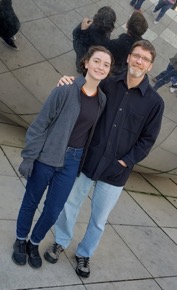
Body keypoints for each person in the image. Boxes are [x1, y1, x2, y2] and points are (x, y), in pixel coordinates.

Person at [44, 40, 164, 278]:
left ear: (149, 66)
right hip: (89, 159)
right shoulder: (108, 84)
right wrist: (67, 81)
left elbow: (147, 140)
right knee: (70, 205)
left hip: (116, 170)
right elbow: (84, 92)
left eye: (145, 59)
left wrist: (125, 161)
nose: (139, 61)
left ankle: (85, 253)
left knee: (99, 219)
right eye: (136, 56)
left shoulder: (155, 103)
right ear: (129, 58)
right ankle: (61, 241)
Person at [12, 46, 114, 269]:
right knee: (31, 200)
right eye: (97, 61)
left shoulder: (102, 100)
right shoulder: (66, 89)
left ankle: (34, 242)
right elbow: (40, 124)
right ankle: (20, 240)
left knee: (54, 208)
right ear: (86, 63)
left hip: (72, 162)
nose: (101, 67)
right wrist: (29, 157)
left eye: (106, 64)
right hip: (48, 155)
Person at [73, 6, 116, 72]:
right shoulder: (107, 38)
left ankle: (80, 69)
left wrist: (83, 30)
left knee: (80, 64)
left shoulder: (87, 26)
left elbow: (77, 39)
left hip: (83, 55)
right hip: (92, 56)